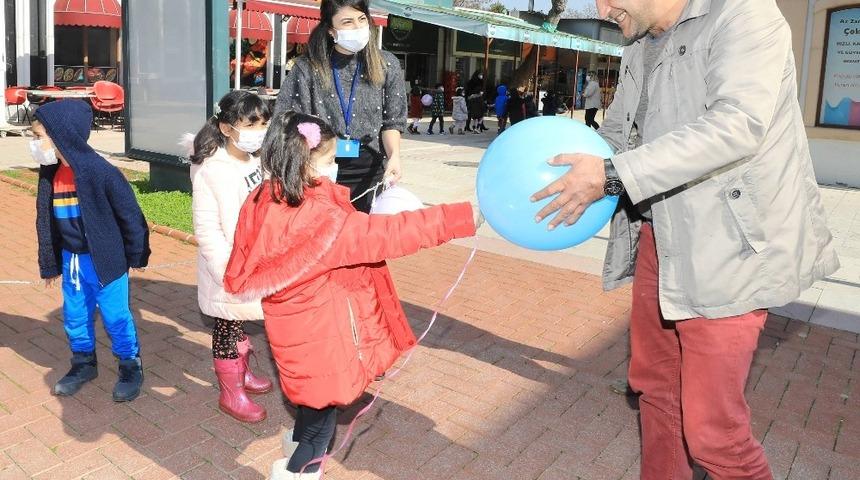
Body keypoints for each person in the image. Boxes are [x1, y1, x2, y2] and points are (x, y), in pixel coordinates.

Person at [531, 1, 840, 479]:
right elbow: (618, 131)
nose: (601, 8)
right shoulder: (639, 38)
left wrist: (612, 176)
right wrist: (563, 165)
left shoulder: (744, 14)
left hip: (729, 248)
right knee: (655, 388)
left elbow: (736, 125)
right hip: (660, 236)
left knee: (714, 432)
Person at [222, 112, 480, 480]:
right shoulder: (322, 222)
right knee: (320, 421)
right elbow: (392, 233)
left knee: (310, 406)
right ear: (307, 162)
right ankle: (299, 472)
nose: (333, 169)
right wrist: (465, 216)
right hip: (325, 337)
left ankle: (297, 449)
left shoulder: (266, 196)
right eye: (328, 161)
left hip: (295, 331)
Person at [32, 100, 150, 402]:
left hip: (106, 260)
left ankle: (130, 364)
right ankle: (83, 363)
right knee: (74, 315)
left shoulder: (101, 172)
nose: (34, 144)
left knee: (115, 316)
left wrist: (137, 254)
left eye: (38, 136)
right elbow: (46, 222)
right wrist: (50, 263)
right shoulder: (51, 174)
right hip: (73, 261)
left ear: (62, 135)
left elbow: (130, 216)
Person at [274, 0, 407, 213]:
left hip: (371, 173)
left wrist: (394, 156)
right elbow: (288, 120)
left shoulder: (386, 64)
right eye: (347, 22)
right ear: (331, 31)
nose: (358, 27)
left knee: (364, 239)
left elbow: (392, 121)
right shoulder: (308, 68)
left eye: (362, 19)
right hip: (320, 171)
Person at [189, 91, 273, 424]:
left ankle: (243, 374)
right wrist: (228, 270)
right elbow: (207, 230)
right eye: (251, 124)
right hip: (227, 268)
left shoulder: (259, 161)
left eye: (264, 124)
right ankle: (230, 391)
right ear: (226, 128)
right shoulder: (212, 171)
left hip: (255, 262)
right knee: (226, 326)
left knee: (238, 324)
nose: (259, 131)